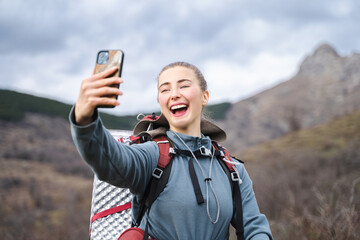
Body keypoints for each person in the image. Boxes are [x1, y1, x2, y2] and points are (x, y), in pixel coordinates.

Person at [70, 61, 273, 240]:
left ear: (204, 97)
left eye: (184, 85)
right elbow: (111, 161)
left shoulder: (232, 168)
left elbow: (254, 228)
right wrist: (85, 120)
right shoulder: (152, 155)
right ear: (160, 101)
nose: (174, 94)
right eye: (165, 90)